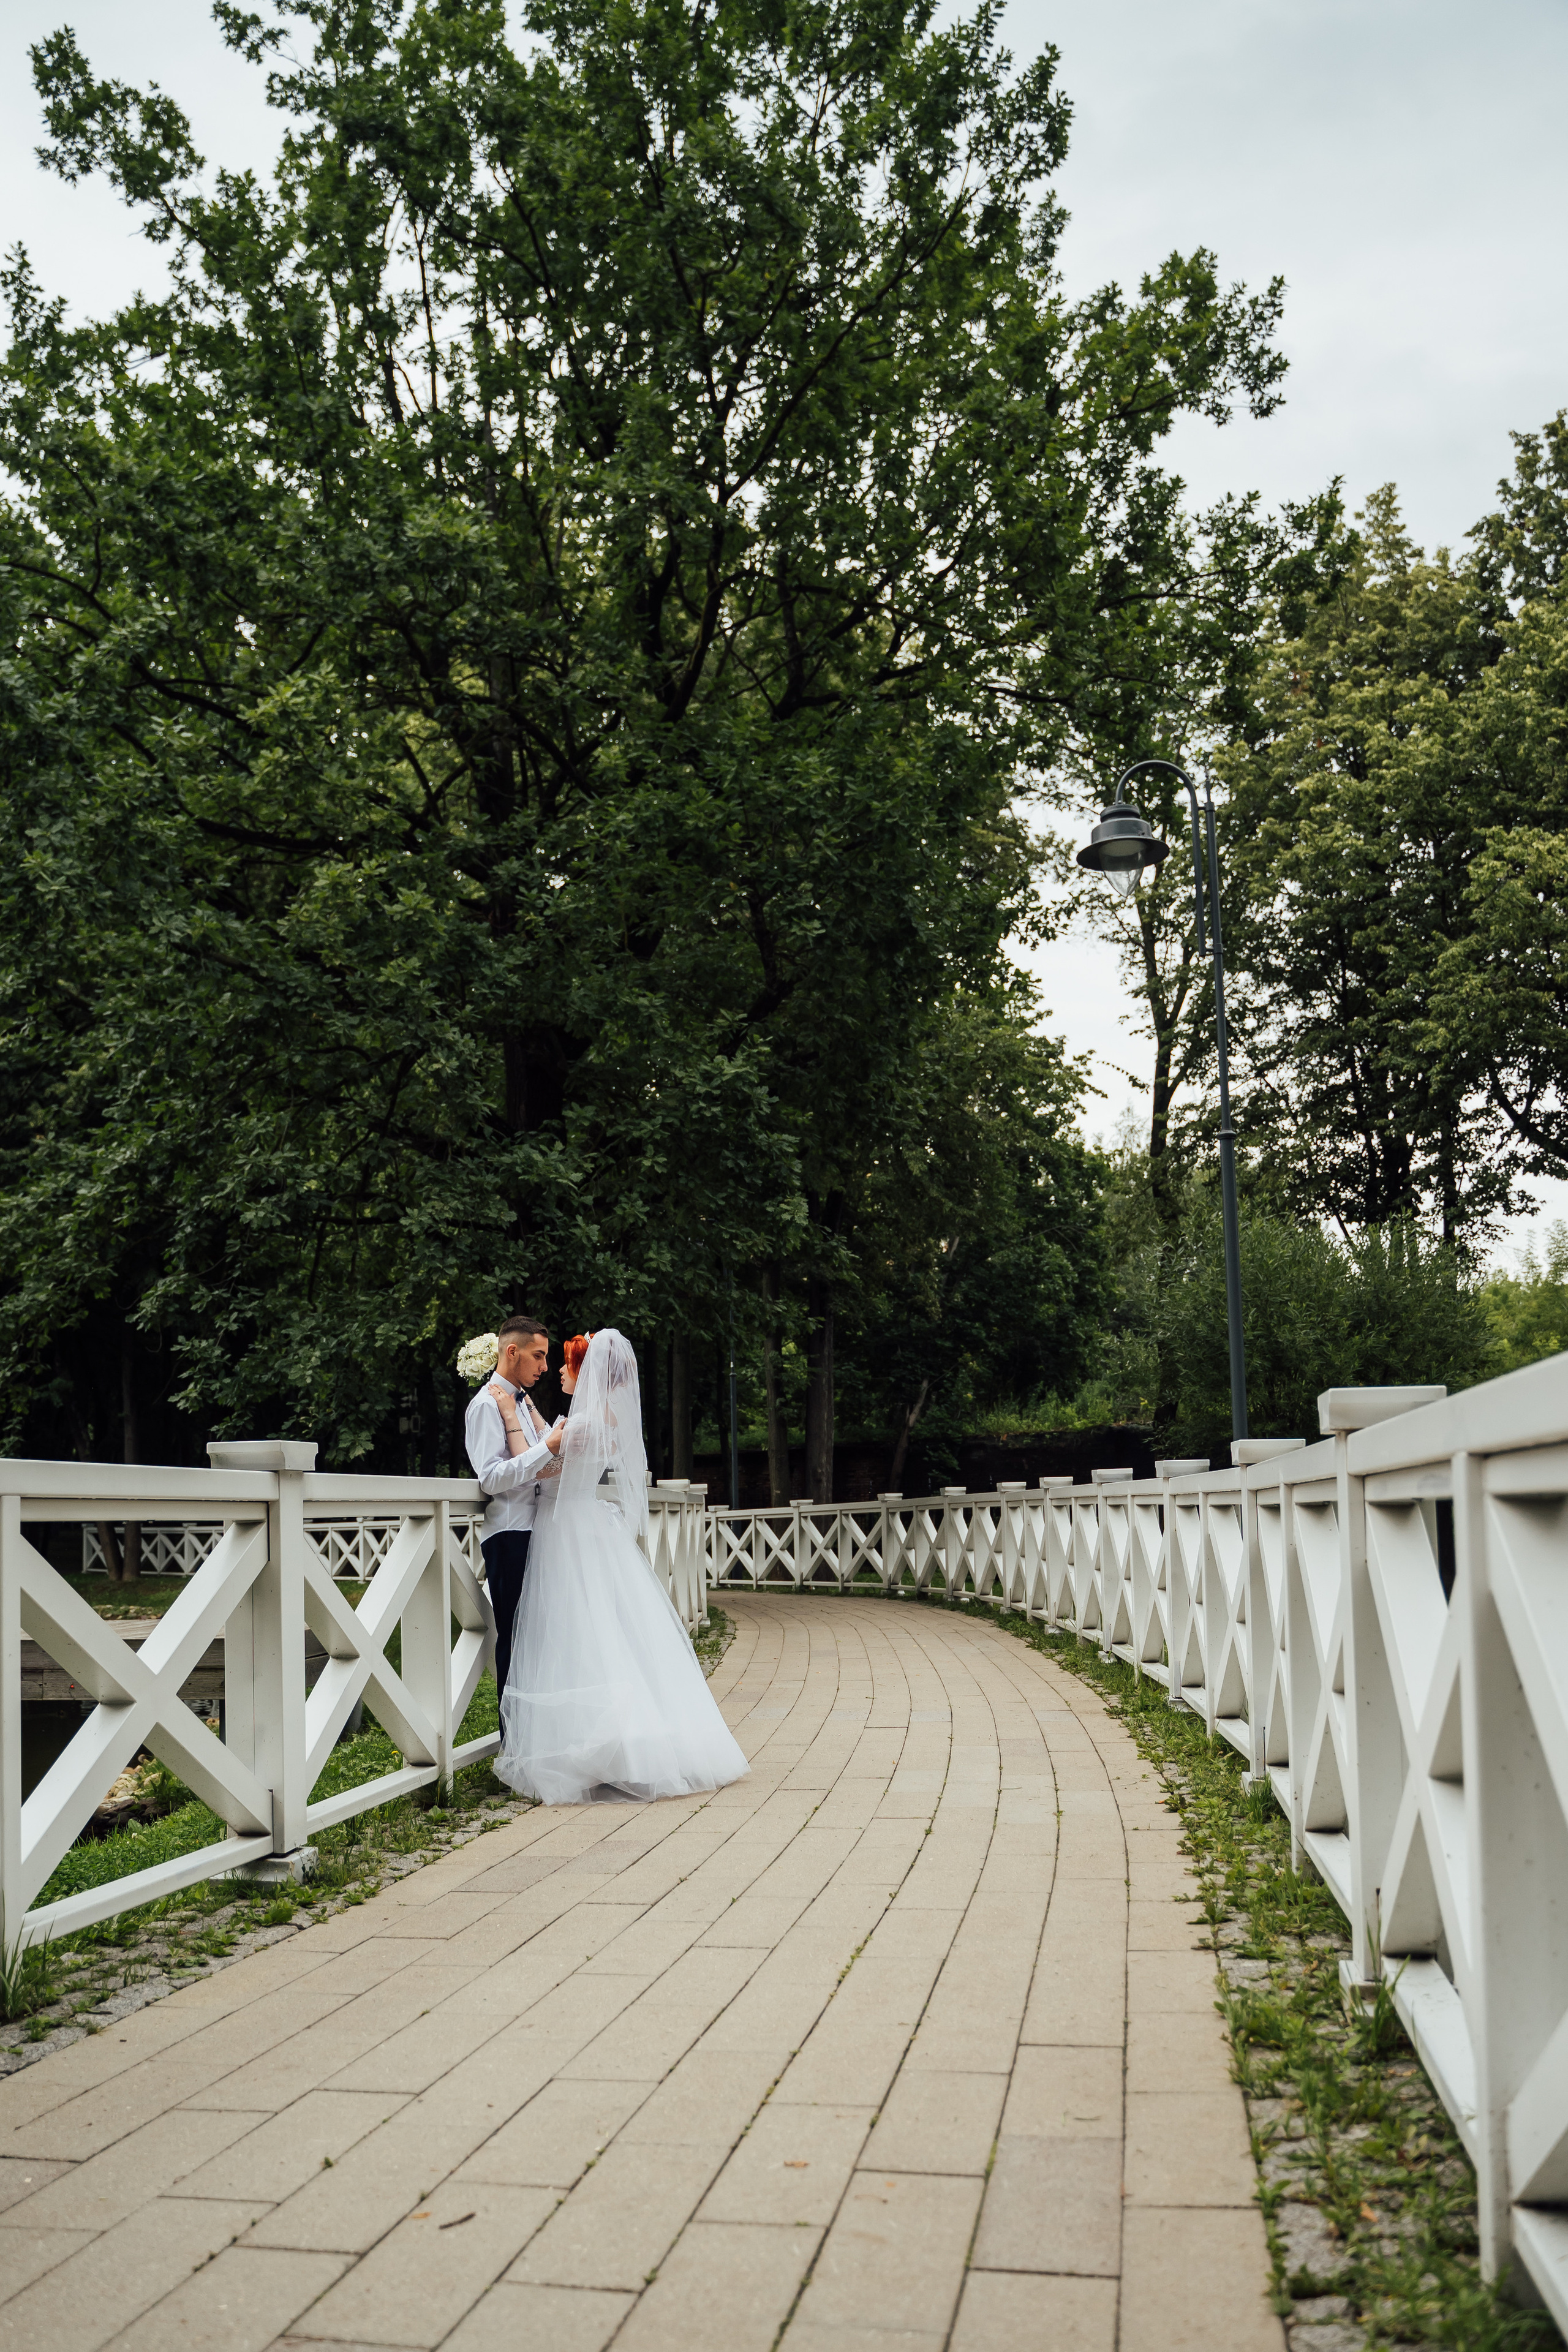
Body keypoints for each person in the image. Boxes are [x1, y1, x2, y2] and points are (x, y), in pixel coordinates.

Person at [492, 1328, 750, 1805]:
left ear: (587, 1372)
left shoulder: (585, 1423)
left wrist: (510, 1412)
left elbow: (534, 1463)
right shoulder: (602, 1418)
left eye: (569, 1365)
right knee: (600, 1632)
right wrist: (528, 1409)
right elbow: (557, 1442)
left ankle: (600, 1748)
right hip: (584, 1525)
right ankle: (607, 1742)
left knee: (577, 1636)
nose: (562, 1372)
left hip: (564, 1530)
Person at [464, 1316, 564, 1699]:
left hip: (535, 1531)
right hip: (509, 1535)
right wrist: (547, 1448)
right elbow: (490, 1478)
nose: (544, 1366)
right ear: (512, 1351)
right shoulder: (486, 1406)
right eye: (538, 1356)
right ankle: (514, 1745)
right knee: (515, 1640)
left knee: (537, 1642)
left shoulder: (521, 1401)